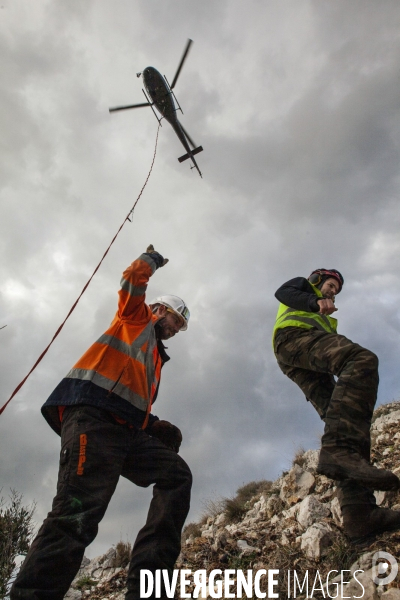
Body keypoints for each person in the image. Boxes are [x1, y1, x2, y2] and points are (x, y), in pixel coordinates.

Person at [11, 245, 192, 600]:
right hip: (93, 421)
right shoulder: (136, 319)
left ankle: (148, 589)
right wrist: (150, 261)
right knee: (76, 518)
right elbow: (130, 282)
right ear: (159, 310)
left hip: (125, 431)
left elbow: (128, 397)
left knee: (177, 475)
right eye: (176, 321)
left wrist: (151, 424)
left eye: (181, 327)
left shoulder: (155, 357)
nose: (176, 330)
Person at [273, 268, 400, 544]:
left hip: (297, 352)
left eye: (336, 290)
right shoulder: (303, 288)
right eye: (331, 285)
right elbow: (282, 292)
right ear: (318, 279)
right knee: (362, 359)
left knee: (343, 418)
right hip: (292, 339)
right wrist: (314, 301)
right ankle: (339, 450)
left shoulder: (325, 318)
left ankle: (359, 516)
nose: (333, 291)